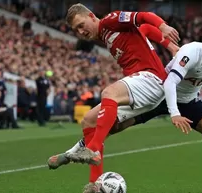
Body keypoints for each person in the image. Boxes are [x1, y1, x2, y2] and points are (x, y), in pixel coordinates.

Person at [49, 29, 202, 193]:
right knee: (112, 127)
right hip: (159, 95)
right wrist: (174, 113)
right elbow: (169, 84)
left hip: (187, 100)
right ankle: (71, 154)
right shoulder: (191, 52)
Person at [48, 3, 179, 192]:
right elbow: (144, 29)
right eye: (76, 30)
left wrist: (164, 27)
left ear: (92, 16)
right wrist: (170, 46)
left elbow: (144, 17)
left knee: (109, 93)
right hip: (140, 84)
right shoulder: (106, 35)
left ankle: (90, 149)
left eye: (81, 24)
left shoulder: (110, 20)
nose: (81, 31)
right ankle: (94, 184)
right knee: (89, 121)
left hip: (152, 78)